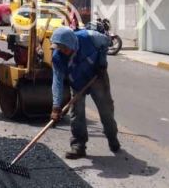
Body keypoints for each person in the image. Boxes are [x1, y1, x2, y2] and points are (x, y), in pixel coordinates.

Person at [50, 26, 120, 159]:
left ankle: (112, 137)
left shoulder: (89, 37)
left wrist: (102, 62)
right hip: (77, 82)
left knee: (106, 110)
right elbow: (57, 82)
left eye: (64, 47)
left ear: (72, 43)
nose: (62, 51)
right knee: (77, 113)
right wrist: (56, 107)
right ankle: (78, 146)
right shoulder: (58, 58)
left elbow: (106, 42)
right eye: (59, 48)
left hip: (96, 76)